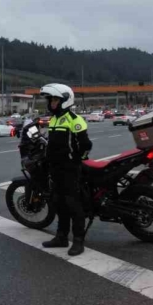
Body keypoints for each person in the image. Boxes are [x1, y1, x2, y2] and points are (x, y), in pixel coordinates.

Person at [38, 83, 93, 256]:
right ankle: (61, 237)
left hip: (69, 169)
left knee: (73, 204)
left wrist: (75, 161)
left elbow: (85, 145)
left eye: (55, 100)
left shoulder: (75, 119)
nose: (52, 103)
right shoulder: (54, 119)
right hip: (56, 168)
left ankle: (78, 241)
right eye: (51, 100)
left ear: (65, 100)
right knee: (58, 202)